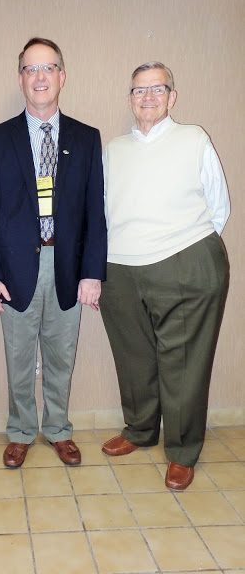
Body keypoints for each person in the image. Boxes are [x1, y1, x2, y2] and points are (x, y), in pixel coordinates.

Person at [0, 37, 107, 468]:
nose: (40, 77)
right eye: (31, 69)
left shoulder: (87, 139)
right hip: (14, 268)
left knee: (60, 354)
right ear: (20, 80)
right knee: (17, 356)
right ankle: (19, 431)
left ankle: (58, 429)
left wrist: (93, 273)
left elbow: (94, 211)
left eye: (48, 68)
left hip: (67, 265)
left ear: (62, 77)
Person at [100, 61, 230, 490]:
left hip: (185, 262)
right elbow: (102, 211)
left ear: (172, 97)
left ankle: (181, 450)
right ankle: (139, 430)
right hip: (120, 269)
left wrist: (184, 243)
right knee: (134, 359)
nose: (148, 97)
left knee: (184, 363)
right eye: (139, 91)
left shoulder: (193, 139)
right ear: (129, 99)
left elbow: (218, 206)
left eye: (158, 89)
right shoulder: (113, 149)